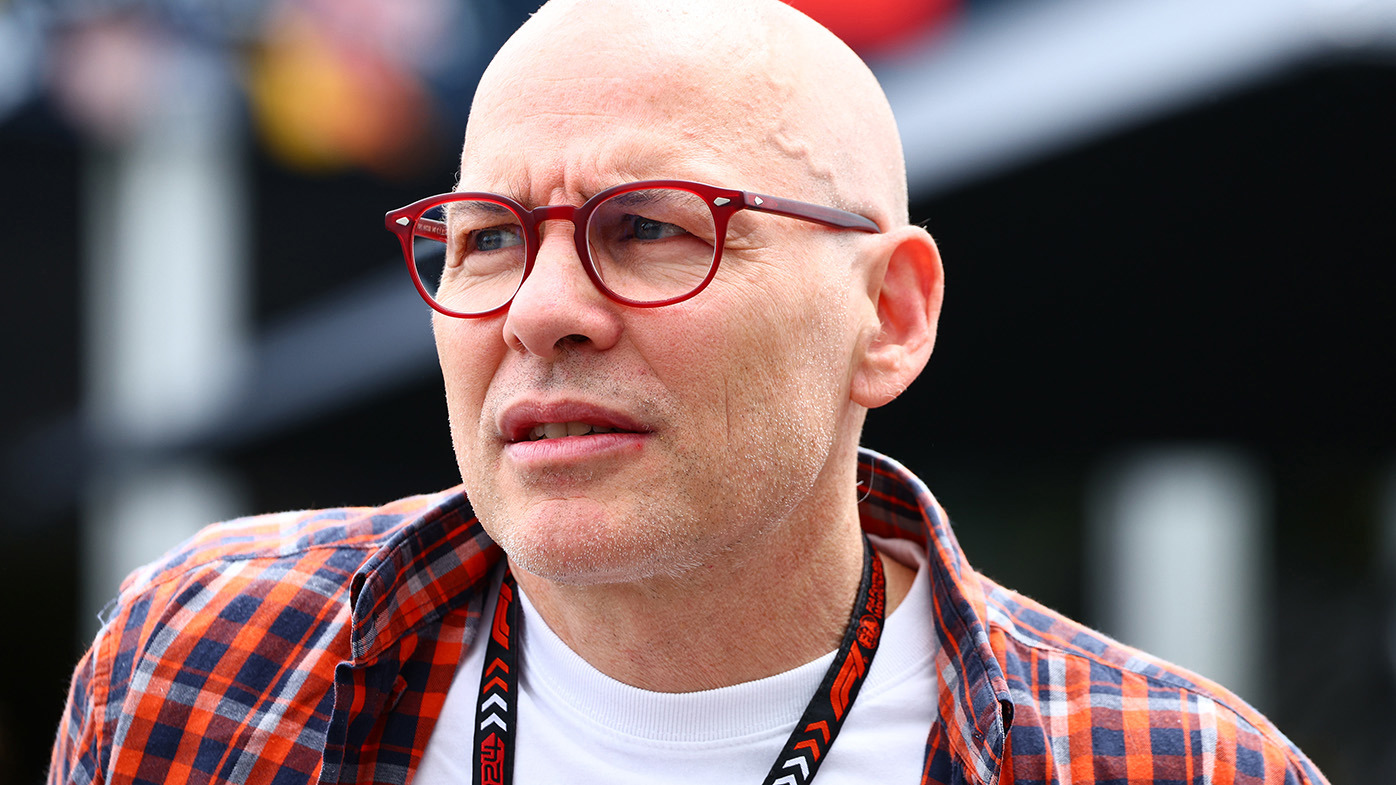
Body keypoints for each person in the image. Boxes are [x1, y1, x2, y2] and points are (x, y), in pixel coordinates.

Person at [50, 1, 1328, 783]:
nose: (540, 309)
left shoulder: (1171, 764)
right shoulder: (206, 660)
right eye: (487, 235)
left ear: (887, 316)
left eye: (653, 228)